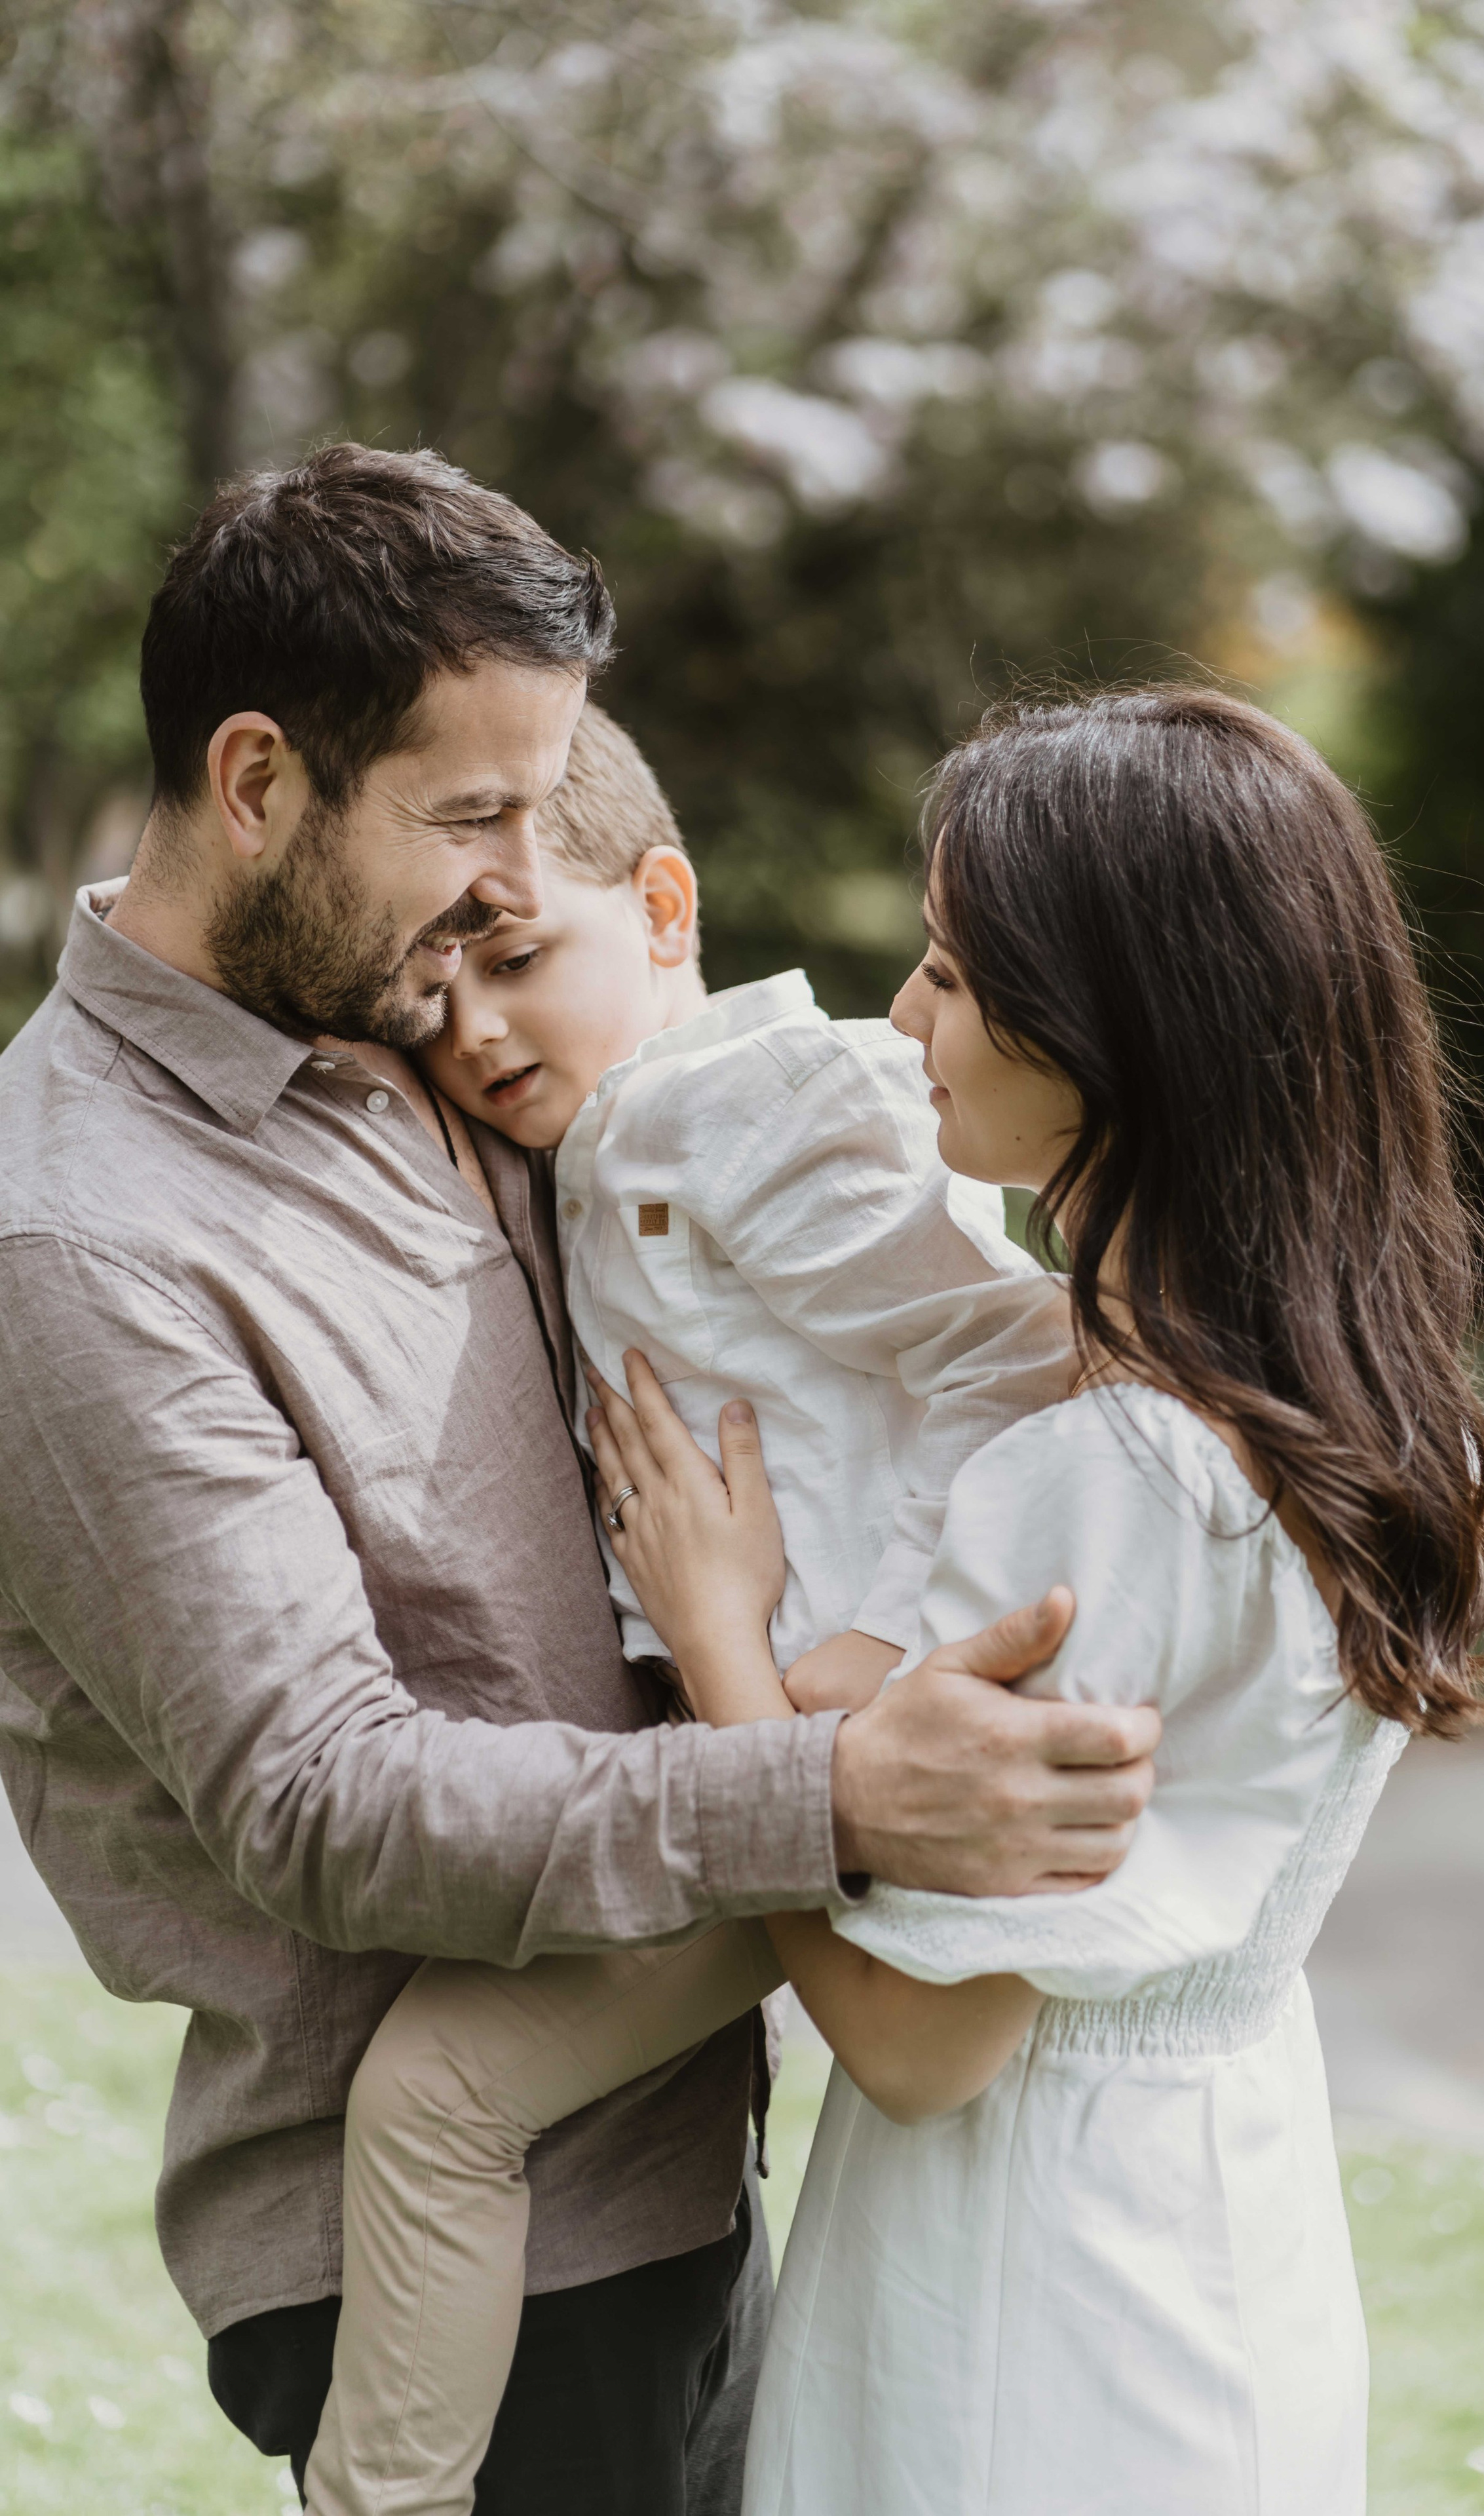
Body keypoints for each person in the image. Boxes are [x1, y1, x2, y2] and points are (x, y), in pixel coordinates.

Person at [0, 446, 1161, 2516]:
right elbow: (328, 1805)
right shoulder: (81, 1242)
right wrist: (829, 1785)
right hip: (459, 2254)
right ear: (257, 781)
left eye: (539, 821)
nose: (506, 885)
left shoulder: (413, 1029)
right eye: (471, 818)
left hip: (663, 2161)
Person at [589, 689, 1484, 2514]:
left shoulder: (1117, 1475)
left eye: (951, 973)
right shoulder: (1308, 1400)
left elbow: (922, 2041)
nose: (905, 1020)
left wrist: (717, 1634)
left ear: (1120, 1033)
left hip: (1033, 2288)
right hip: (1216, 2213)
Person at [300, 697, 1073, 2516]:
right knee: (446, 2100)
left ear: (664, 902)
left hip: (812, 1734)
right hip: (745, 1748)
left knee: (436, 2100)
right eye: (435, 993)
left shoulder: (748, 1110)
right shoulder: (599, 1136)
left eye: (514, 953)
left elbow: (1024, 1354)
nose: (474, 1026)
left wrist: (861, 1662)